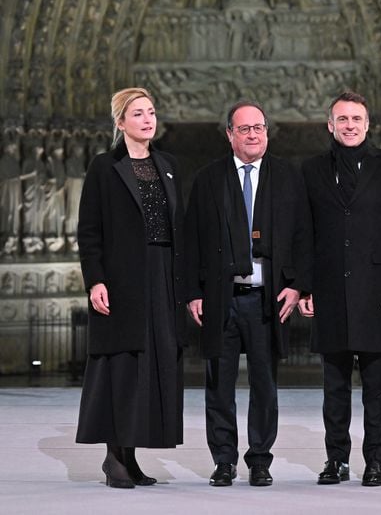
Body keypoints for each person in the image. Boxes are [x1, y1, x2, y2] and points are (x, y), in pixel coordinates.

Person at [185, 100, 312, 487]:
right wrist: (193, 292)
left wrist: (297, 285)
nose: (254, 134)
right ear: (229, 134)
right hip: (221, 297)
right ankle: (224, 460)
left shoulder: (288, 177)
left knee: (264, 385)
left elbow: (305, 237)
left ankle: (260, 460)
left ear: (267, 133)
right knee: (219, 385)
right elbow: (191, 240)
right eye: (245, 129)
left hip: (267, 299)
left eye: (259, 127)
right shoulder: (208, 179)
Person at [300, 91, 381, 487]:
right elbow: (305, 233)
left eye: (357, 119)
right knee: (334, 388)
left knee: (376, 388)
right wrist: (304, 287)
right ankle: (337, 461)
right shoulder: (312, 169)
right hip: (329, 290)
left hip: (377, 291)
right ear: (330, 125)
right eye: (342, 119)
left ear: (368, 124)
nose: (350, 125)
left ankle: (375, 462)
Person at [76, 87, 187, 489]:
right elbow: (89, 231)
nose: (147, 119)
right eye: (137, 113)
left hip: (162, 275)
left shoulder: (168, 165)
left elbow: (180, 227)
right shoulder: (104, 167)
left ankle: (132, 456)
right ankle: (113, 458)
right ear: (120, 122)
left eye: (151, 112)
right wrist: (96, 280)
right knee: (122, 367)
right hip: (122, 280)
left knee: (151, 366)